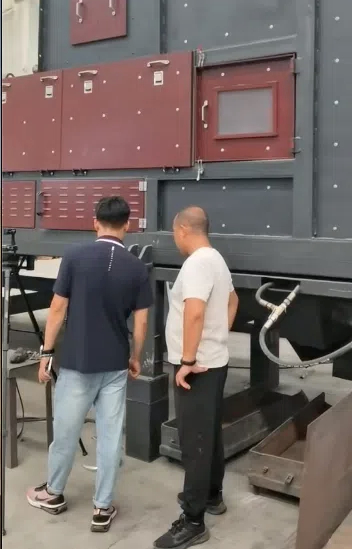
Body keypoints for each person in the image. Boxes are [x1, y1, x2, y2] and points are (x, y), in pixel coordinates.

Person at [26, 196, 152, 533]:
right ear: (127, 225)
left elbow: (57, 309)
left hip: (77, 363)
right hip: (115, 364)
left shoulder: (74, 256)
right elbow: (141, 323)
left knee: (66, 431)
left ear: (95, 222)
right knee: (110, 437)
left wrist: (46, 353)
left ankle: (53, 493)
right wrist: (136, 357)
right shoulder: (137, 268)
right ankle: (102, 507)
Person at [154, 206, 239, 549]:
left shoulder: (197, 263)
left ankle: (193, 520)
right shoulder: (216, 259)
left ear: (183, 230)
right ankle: (212, 495)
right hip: (214, 362)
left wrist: (188, 360)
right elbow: (233, 302)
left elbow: (194, 312)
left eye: (174, 233)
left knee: (195, 443)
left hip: (198, 368)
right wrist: (217, 337)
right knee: (209, 433)